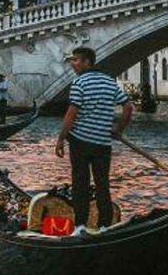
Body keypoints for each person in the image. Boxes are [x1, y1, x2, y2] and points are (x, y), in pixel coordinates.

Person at [56, 47, 132, 233]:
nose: (73, 64)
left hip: (80, 141)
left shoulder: (79, 83)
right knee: (102, 185)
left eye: (75, 60)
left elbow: (71, 114)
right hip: (102, 143)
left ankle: (80, 226)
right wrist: (118, 130)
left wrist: (61, 139)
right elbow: (128, 108)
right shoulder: (110, 82)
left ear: (87, 62)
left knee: (80, 184)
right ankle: (104, 226)